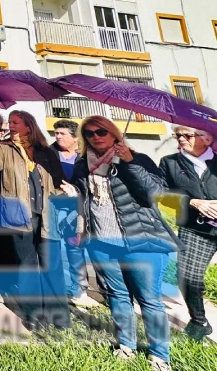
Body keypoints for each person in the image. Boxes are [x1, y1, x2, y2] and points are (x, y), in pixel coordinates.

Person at [72, 116, 179, 370]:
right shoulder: (82, 165)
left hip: (141, 240)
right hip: (102, 242)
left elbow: (156, 195)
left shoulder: (138, 158)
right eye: (89, 133)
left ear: (114, 134)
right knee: (117, 295)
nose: (96, 136)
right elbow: (84, 200)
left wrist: (129, 162)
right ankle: (127, 346)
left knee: (149, 300)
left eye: (101, 131)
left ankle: (160, 356)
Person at [0, 110, 70, 330]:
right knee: (26, 265)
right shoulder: (4, 149)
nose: (11, 125)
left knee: (52, 266)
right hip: (19, 216)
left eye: (16, 122)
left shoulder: (45, 152)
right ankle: (33, 316)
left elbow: (58, 181)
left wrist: (66, 194)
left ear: (29, 126)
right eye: (10, 122)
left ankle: (59, 316)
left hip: (47, 216)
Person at [160, 126, 217, 341]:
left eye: (187, 135)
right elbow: (161, 194)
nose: (181, 138)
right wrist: (193, 202)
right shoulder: (170, 163)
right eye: (178, 135)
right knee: (187, 276)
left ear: (207, 138)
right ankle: (199, 322)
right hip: (195, 228)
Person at [49, 119, 87, 301]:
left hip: (77, 207)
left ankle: (78, 286)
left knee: (74, 247)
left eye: (62, 133)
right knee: (52, 246)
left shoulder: (85, 156)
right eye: (56, 133)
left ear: (75, 137)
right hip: (53, 205)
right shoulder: (49, 153)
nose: (57, 137)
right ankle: (54, 285)